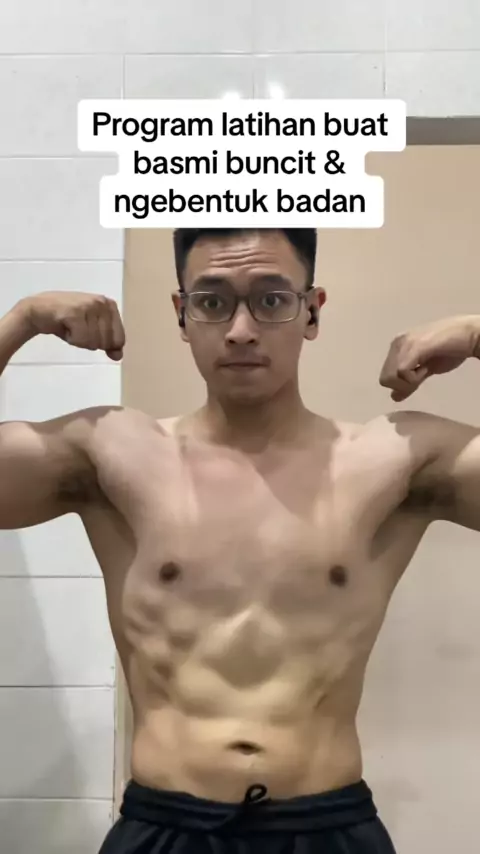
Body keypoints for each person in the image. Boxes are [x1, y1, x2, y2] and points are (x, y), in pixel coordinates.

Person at [0, 228, 479, 854]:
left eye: (272, 299)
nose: (241, 330)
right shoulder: (110, 453)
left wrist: (477, 335)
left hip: (329, 828)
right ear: (182, 314)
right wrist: (21, 320)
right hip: (164, 827)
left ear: (312, 311)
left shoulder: (395, 459)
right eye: (212, 301)